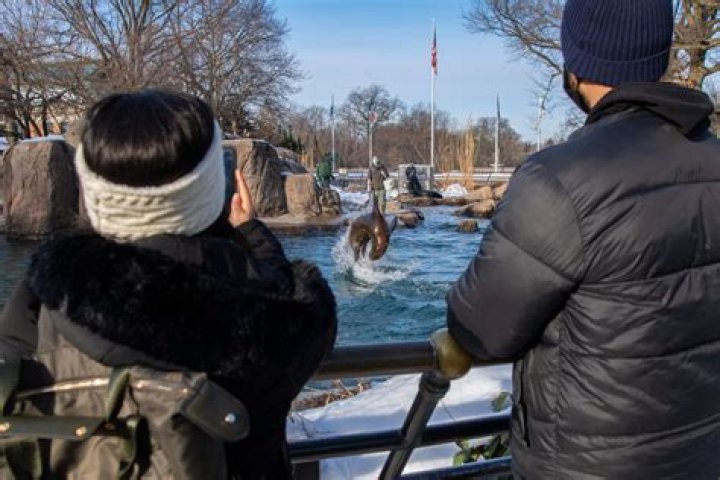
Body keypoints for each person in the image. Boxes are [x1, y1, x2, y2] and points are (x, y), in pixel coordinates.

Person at [0, 90, 337, 479]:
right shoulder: (283, 319)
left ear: (93, 189)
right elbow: (286, 295)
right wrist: (250, 231)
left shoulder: (44, 296)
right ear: (210, 187)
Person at [446, 1, 720, 478]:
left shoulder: (557, 180)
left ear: (576, 63)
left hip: (584, 466)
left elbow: (480, 329)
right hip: (701, 455)